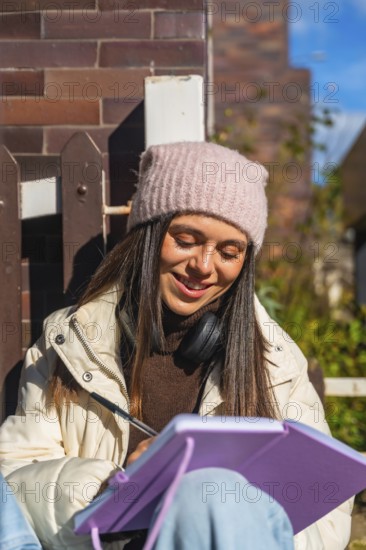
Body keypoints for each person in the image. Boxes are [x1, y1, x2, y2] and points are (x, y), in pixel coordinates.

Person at [0, 141, 352, 549]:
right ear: (149, 237)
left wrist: (229, 508)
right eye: (186, 239)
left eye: (229, 252)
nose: (204, 266)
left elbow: (327, 517)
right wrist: (117, 488)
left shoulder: (276, 361)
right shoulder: (69, 343)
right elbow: (14, 483)